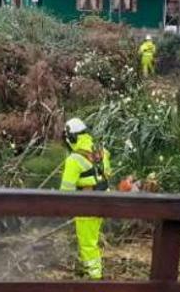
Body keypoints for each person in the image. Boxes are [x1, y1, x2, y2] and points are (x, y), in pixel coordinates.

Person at [60, 118, 111, 280]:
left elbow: (65, 191)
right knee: (92, 238)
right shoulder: (101, 151)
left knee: (88, 243)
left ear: (72, 138)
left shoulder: (74, 160)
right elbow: (107, 174)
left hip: (86, 205)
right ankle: (88, 269)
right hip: (105, 200)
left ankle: (95, 277)